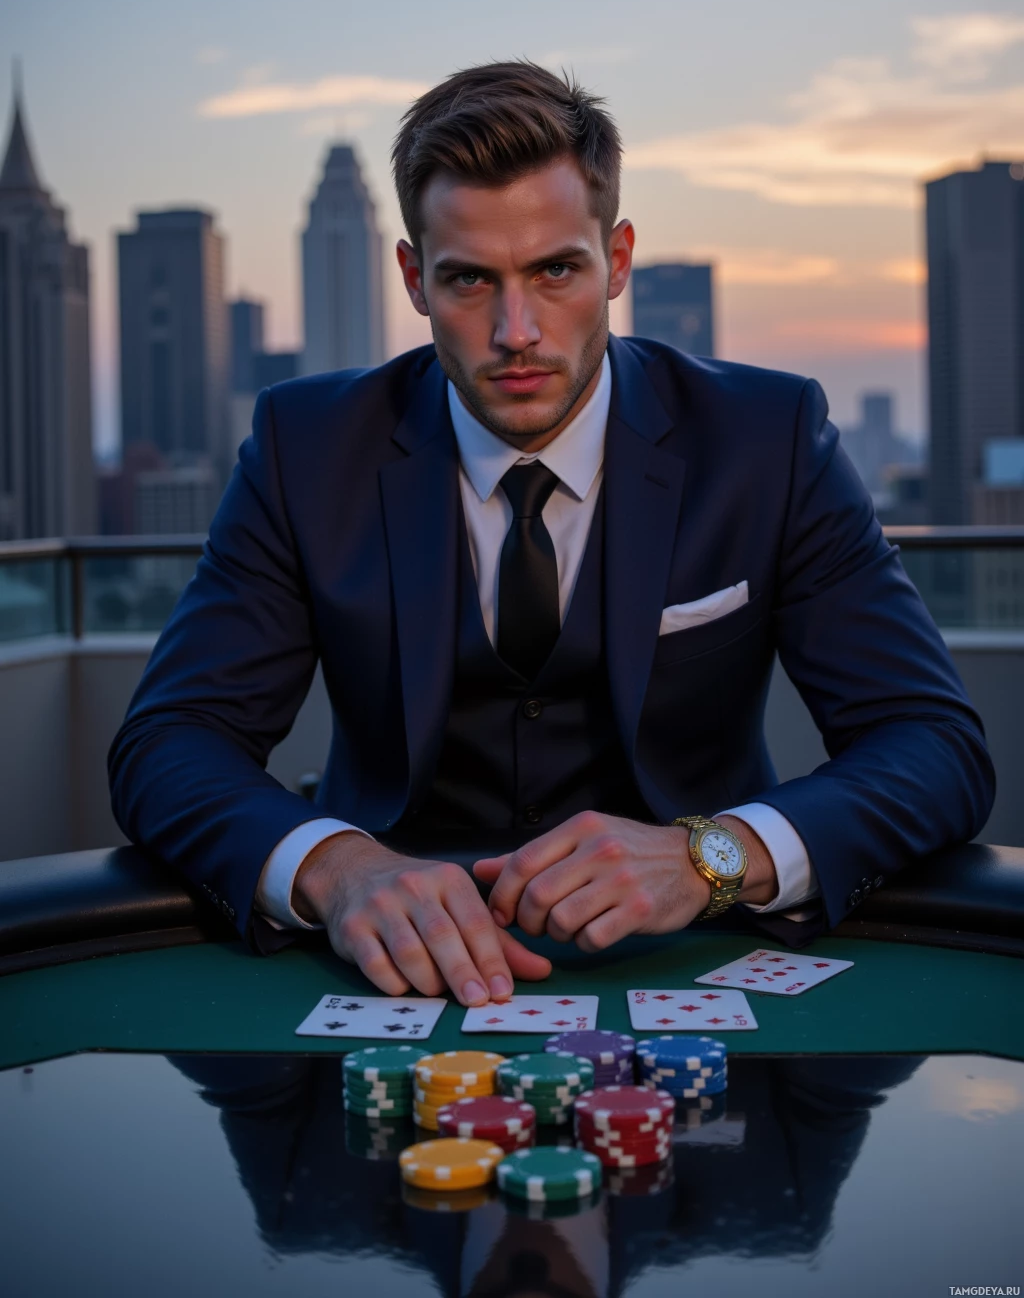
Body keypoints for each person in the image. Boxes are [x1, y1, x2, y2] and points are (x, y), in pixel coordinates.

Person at [109, 61, 994, 1009]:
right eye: (469, 281)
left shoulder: (766, 440)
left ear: (616, 262)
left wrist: (711, 855)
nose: (516, 330)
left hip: (698, 961)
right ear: (414, 278)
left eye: (556, 270)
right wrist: (337, 868)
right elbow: (171, 739)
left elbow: (931, 743)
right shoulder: (306, 447)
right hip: (387, 973)